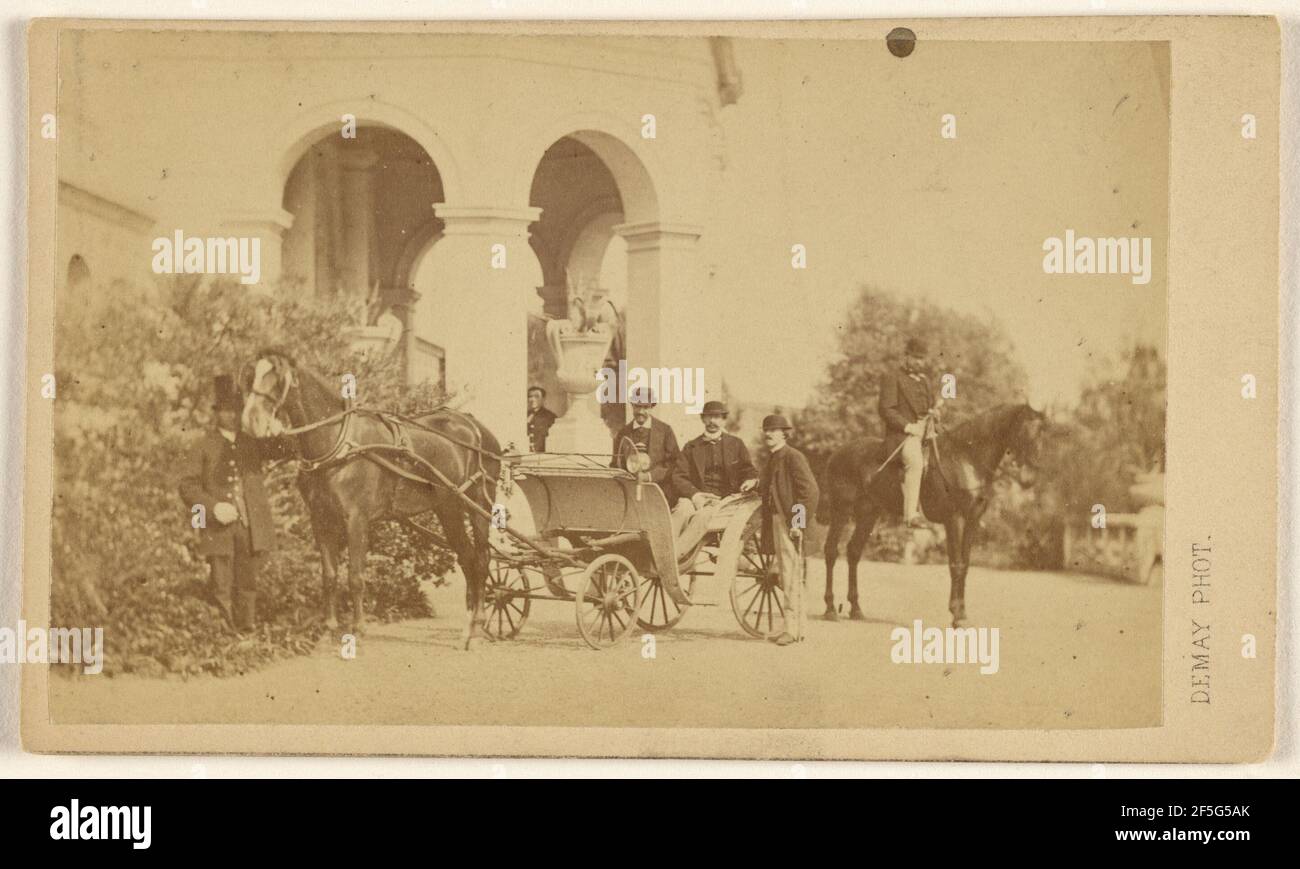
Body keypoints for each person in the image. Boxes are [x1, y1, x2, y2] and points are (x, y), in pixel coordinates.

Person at [178, 374, 285, 632]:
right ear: (217, 413)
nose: (232, 416)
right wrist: (213, 508)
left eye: (236, 410)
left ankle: (246, 630)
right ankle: (225, 634)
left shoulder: (252, 444)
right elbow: (187, 487)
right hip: (219, 527)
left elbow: (287, 450)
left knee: (247, 583)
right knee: (221, 584)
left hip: (249, 527)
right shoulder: (203, 446)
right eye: (226, 411)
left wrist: (281, 432)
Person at [758, 414, 819, 647]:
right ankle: (793, 626)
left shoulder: (793, 457)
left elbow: (811, 492)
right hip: (777, 520)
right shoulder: (773, 458)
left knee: (791, 575)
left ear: (784, 433)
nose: (768, 434)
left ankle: (793, 630)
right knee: (786, 574)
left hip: (790, 523)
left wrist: (797, 522)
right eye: (766, 430)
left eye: (774, 430)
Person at [670, 400, 757, 550]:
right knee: (681, 511)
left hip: (722, 500)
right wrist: (695, 495)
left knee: (702, 517)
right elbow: (678, 476)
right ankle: (663, 551)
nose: (712, 421)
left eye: (717, 417)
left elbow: (748, 470)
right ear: (702, 419)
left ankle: (677, 555)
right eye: (708, 417)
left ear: (724, 420)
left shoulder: (736, 444)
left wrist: (750, 479)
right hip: (696, 496)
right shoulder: (691, 446)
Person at [879, 336, 940, 528]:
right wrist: (908, 427)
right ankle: (911, 515)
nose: (919, 362)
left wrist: (935, 412)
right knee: (915, 462)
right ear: (906, 356)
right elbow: (886, 409)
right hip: (903, 435)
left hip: (927, 432)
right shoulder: (892, 377)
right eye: (915, 358)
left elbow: (931, 406)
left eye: (922, 359)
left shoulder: (926, 381)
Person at [610, 387, 680, 503]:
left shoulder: (665, 430)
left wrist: (649, 476)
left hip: (659, 491)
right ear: (632, 406)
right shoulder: (623, 433)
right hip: (629, 491)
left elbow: (674, 463)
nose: (641, 411)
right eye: (637, 406)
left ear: (652, 407)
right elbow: (615, 464)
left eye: (645, 407)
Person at [526, 385, 557, 452]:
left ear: (543, 399)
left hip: (542, 454)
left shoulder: (550, 417)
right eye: (530, 396)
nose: (532, 399)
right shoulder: (524, 415)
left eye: (537, 396)